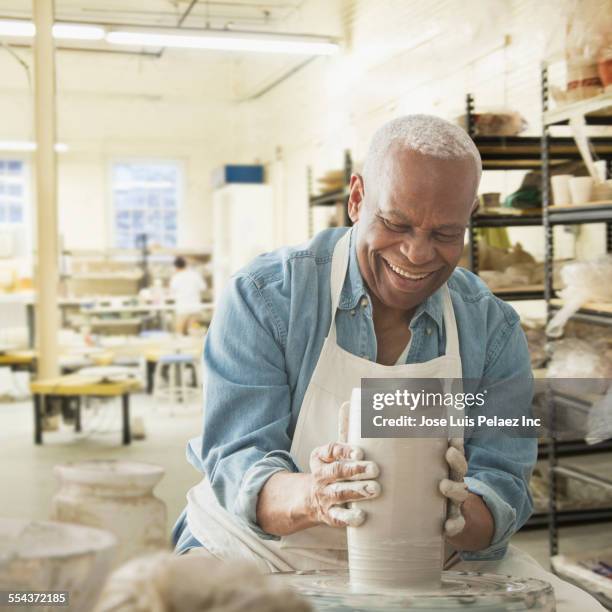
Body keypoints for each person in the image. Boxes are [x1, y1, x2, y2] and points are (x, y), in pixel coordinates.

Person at [173, 115, 603, 610]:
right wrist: (318, 494)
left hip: (431, 563)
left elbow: (504, 483)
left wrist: (457, 512)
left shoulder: (493, 327)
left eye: (445, 233)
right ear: (357, 198)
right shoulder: (268, 298)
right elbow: (237, 463)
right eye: (396, 224)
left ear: (471, 216)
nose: (417, 254)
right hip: (265, 551)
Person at [170, 256, 206, 335]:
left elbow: (172, 291)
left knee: (180, 333)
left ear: (176, 267)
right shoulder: (195, 275)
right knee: (193, 333)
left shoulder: (176, 277)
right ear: (185, 265)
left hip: (182, 308)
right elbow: (203, 287)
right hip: (195, 308)